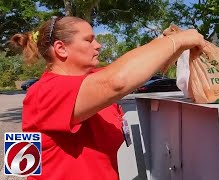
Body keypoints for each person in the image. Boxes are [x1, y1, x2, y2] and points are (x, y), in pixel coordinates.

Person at [10, 16, 206, 180]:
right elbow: (117, 81)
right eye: (89, 40)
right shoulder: (43, 92)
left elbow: (128, 69)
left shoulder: (91, 82)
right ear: (61, 48)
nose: (98, 45)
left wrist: (163, 40)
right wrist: (177, 41)